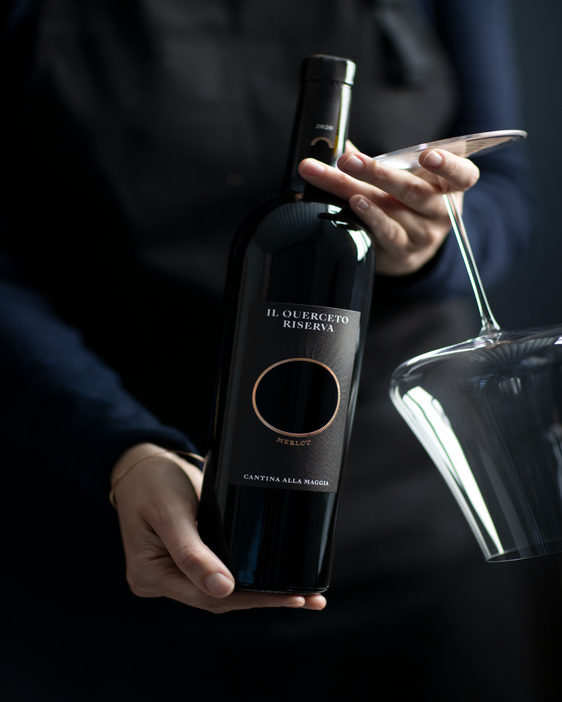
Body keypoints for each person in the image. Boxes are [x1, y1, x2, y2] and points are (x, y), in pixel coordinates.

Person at [1, 0, 540, 699]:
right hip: (124, 516)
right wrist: (120, 448)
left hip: (407, 523)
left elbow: (506, 194)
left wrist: (427, 247)